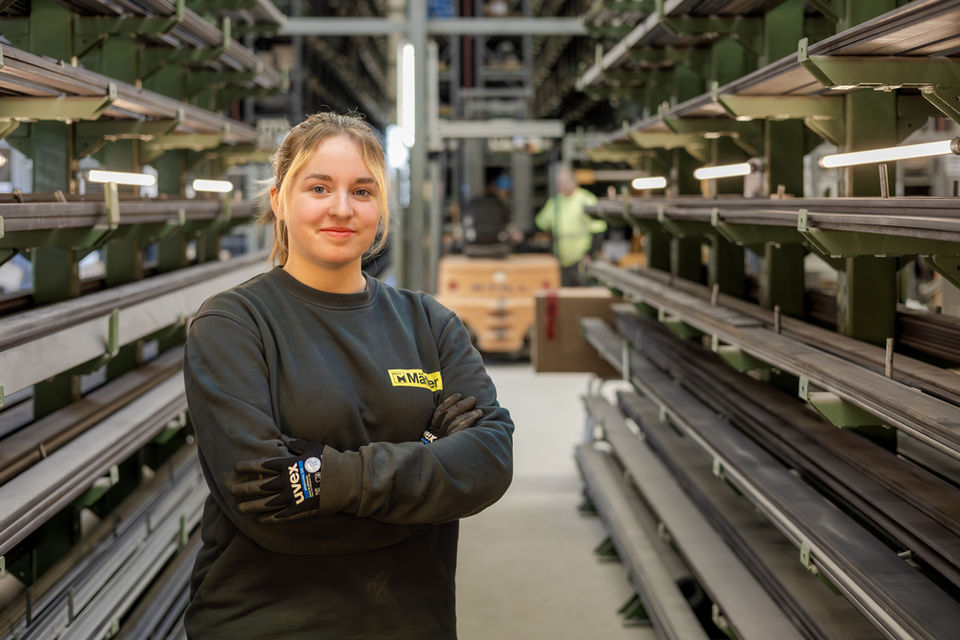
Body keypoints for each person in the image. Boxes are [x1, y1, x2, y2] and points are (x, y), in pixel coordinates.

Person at [182, 112, 515, 639]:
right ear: (279, 200)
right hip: (266, 623)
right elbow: (265, 507)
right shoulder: (233, 324)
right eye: (319, 187)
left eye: (362, 191)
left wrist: (328, 479)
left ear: (380, 207)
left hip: (410, 623)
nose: (342, 207)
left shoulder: (429, 323)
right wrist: (429, 456)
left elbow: (490, 462)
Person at [534, 166, 606, 286]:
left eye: (564, 182)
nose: (561, 185)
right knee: (563, 293)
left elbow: (599, 230)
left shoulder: (586, 199)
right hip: (560, 261)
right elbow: (541, 223)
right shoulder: (555, 201)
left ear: (574, 181)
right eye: (559, 182)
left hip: (581, 261)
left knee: (582, 293)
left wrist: (590, 254)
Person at [461, 169, 512, 247]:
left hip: (479, 244)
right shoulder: (498, 204)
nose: (506, 192)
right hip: (491, 244)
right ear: (491, 185)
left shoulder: (474, 203)